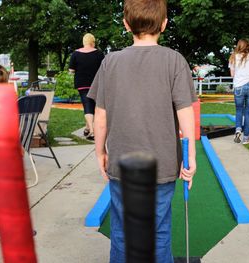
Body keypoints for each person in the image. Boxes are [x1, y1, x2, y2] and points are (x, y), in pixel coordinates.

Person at [87, 0, 197, 262]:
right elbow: (186, 115)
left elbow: (100, 117)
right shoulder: (175, 60)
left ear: (126, 25)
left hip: (122, 164)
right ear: (164, 24)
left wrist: (99, 151)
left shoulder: (110, 62)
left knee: (122, 232)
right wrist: (191, 157)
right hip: (162, 165)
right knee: (158, 232)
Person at [69, 33, 104, 140]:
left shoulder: (75, 54)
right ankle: (89, 128)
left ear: (84, 42)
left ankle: (90, 130)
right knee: (93, 106)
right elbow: (103, 69)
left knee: (87, 105)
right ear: (92, 42)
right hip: (96, 83)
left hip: (82, 83)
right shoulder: (99, 54)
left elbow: (71, 71)